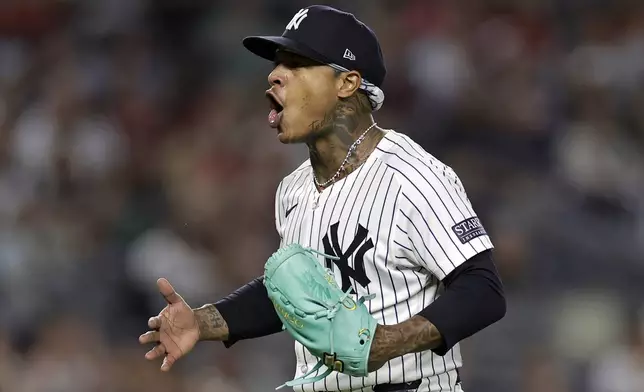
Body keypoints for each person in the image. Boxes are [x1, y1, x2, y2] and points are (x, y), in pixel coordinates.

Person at [139, 5, 506, 392]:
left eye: (297, 65)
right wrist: (203, 321)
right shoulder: (293, 189)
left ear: (347, 84)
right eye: (278, 64)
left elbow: (482, 290)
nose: (274, 76)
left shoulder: (412, 177)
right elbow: (290, 296)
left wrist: (386, 342)